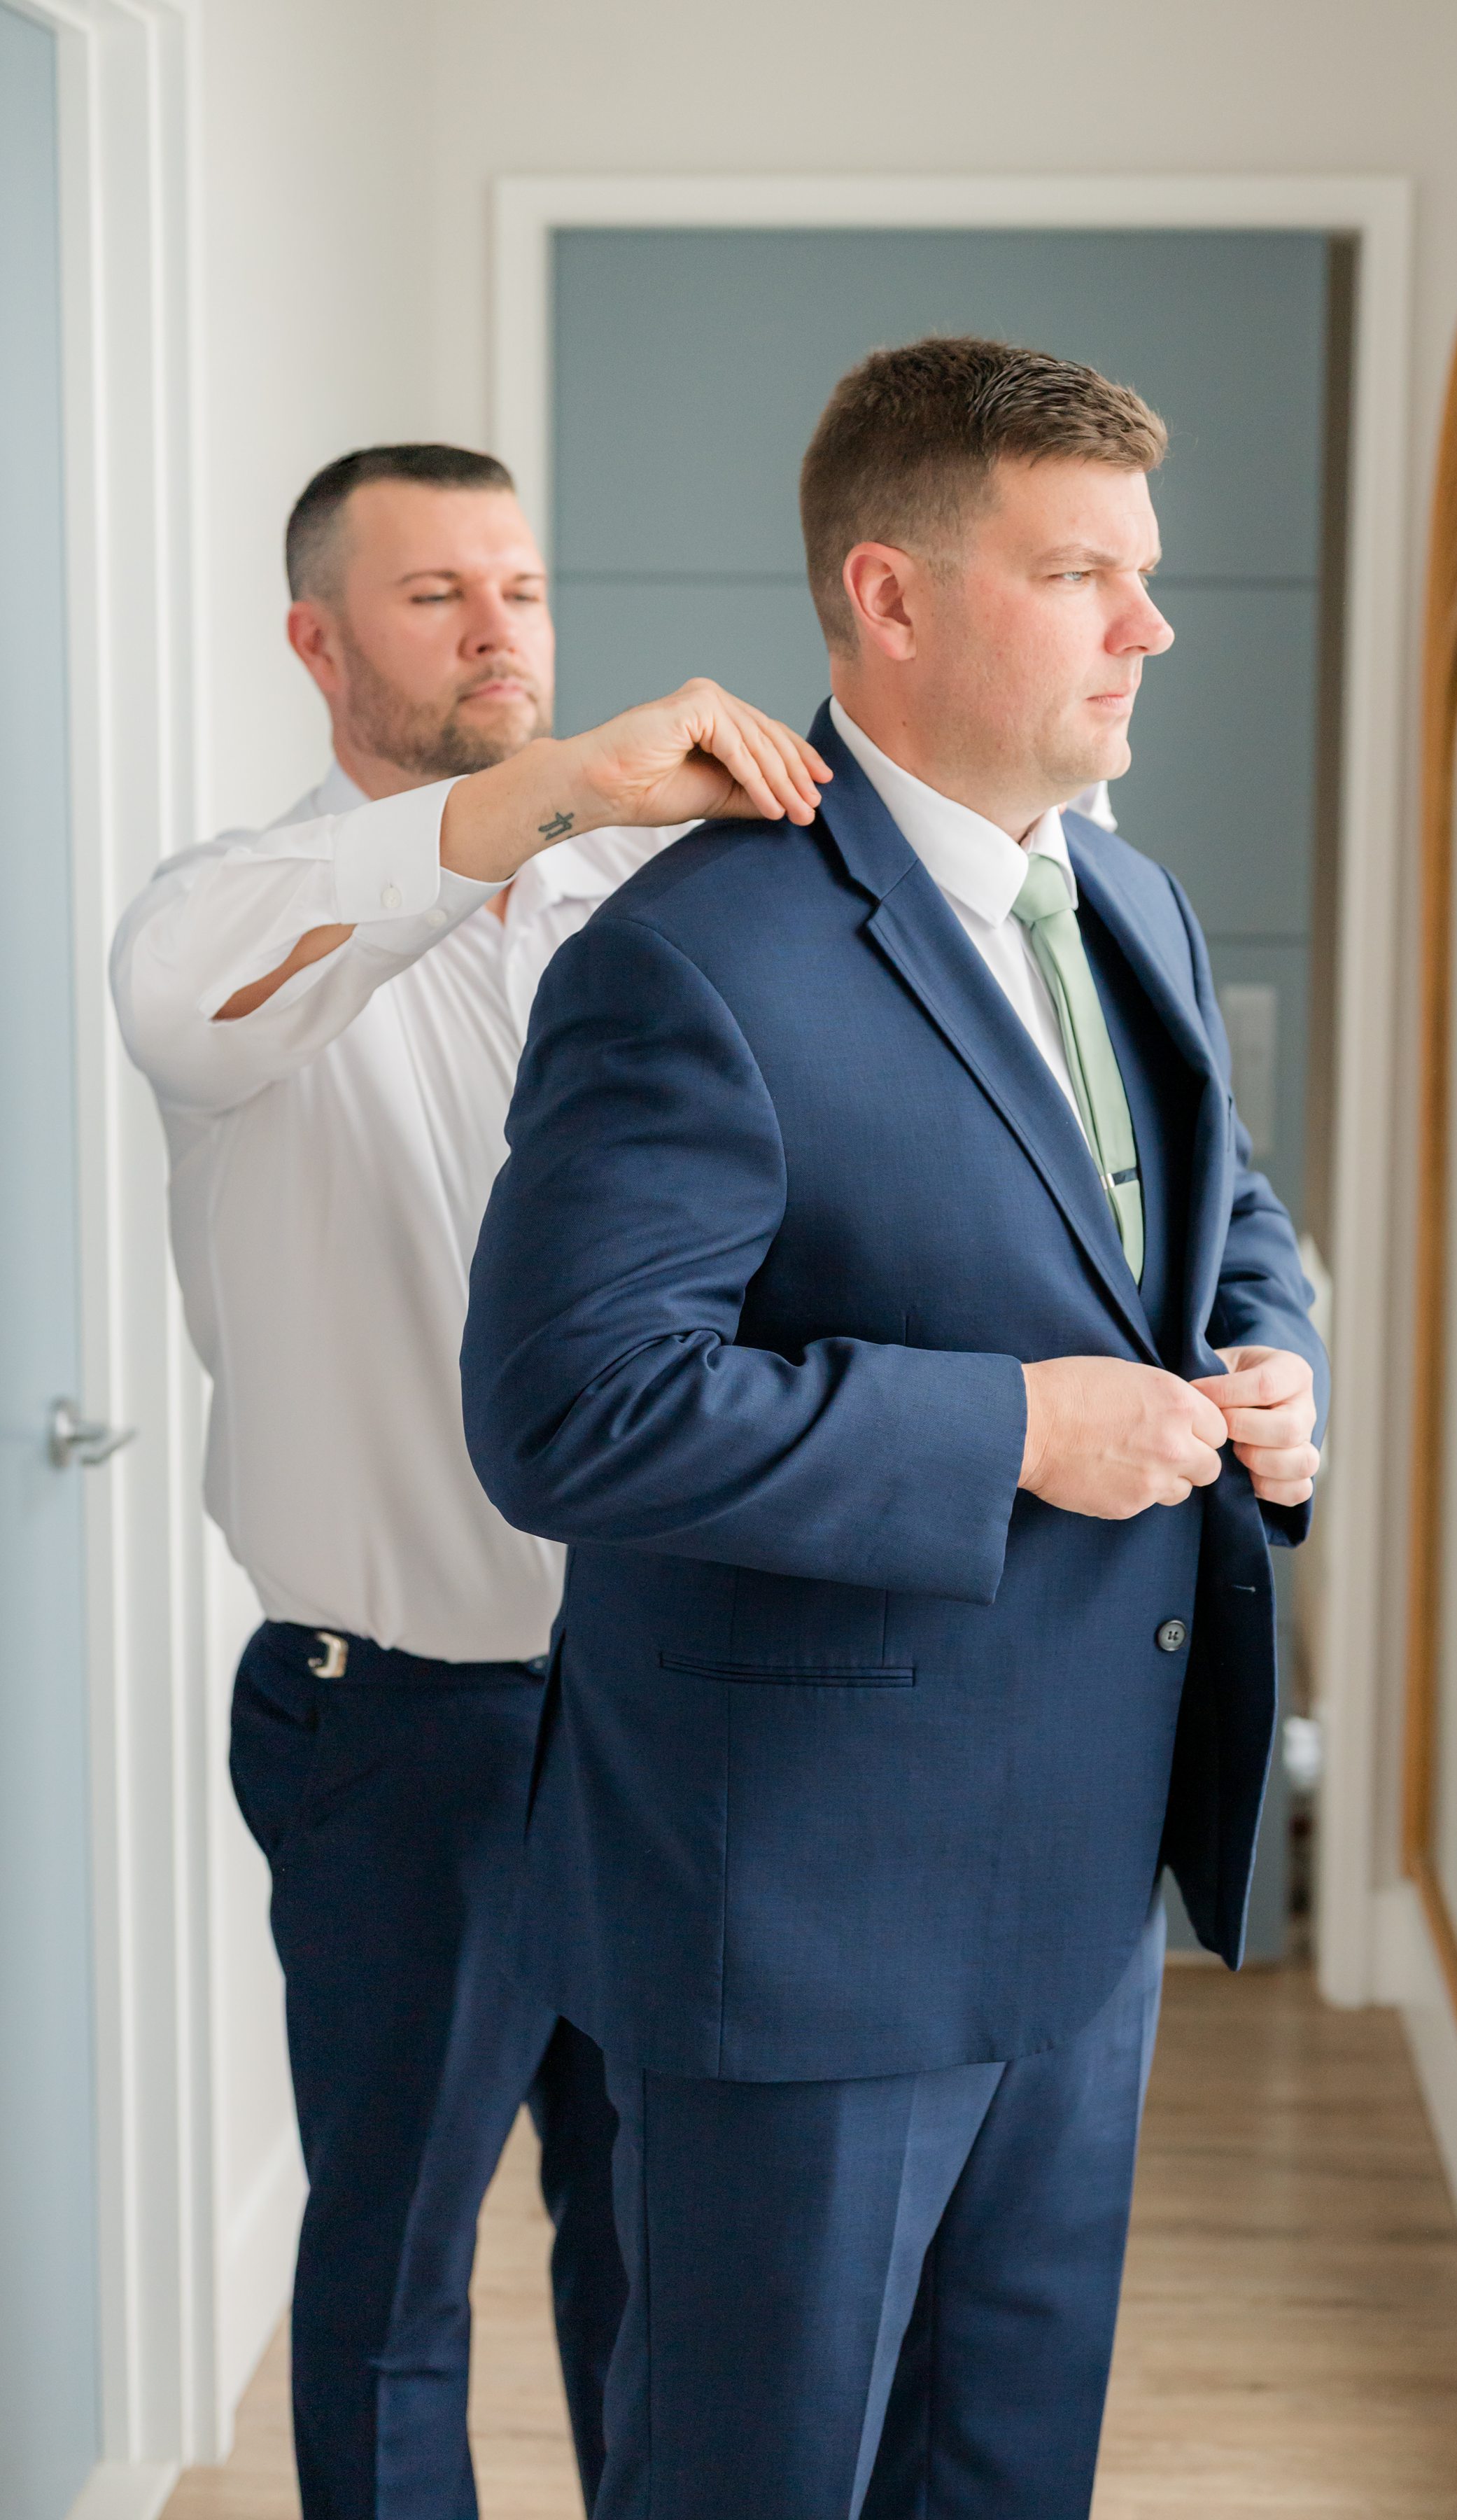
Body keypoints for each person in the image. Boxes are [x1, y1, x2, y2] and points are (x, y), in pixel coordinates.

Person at [461, 339, 1328, 2520]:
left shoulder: (1120, 893)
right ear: (893, 596)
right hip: (799, 1928)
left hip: (1080, 1906)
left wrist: (1265, 1354)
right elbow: (569, 1411)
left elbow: (1219, 1219)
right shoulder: (689, 961)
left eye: (1146, 573)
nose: (1147, 625)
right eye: (1081, 573)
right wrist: (1010, 1431)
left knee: (1005, 2476)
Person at [109, 440, 829, 2520]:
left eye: (517, 583)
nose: (498, 626)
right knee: (396, 2273)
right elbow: (200, 995)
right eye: (435, 594)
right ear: (315, 638)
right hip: (398, 1732)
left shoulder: (664, 923)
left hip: (663, 1713)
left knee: (660, 2262)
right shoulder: (235, 920)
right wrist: (571, 783)